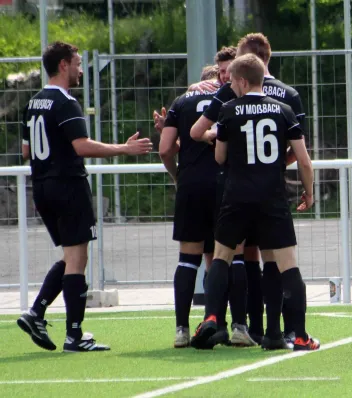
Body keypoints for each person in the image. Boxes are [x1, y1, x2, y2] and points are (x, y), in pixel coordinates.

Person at [17, 41, 153, 352]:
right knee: (78, 260)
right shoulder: (65, 102)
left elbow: (26, 151)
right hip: (68, 186)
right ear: (63, 65)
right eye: (77, 63)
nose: (81, 69)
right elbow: (81, 146)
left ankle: (36, 312)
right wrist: (124, 149)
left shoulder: (34, 102)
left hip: (41, 187)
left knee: (69, 257)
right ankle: (74, 336)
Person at [190, 53, 319, 351]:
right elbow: (303, 160)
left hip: (236, 195)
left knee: (222, 255)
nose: (229, 85)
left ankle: (211, 315)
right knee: (285, 264)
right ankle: (291, 333)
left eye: (232, 80)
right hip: (272, 196)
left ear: (243, 80)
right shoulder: (284, 110)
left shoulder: (229, 110)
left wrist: (218, 138)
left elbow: (220, 157)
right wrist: (308, 191)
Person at [159, 65, 222, 348]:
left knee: (188, 258)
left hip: (191, 185)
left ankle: (181, 329)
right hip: (223, 184)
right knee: (223, 257)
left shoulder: (182, 101)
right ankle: (221, 322)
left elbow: (164, 149)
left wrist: (177, 176)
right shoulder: (227, 98)